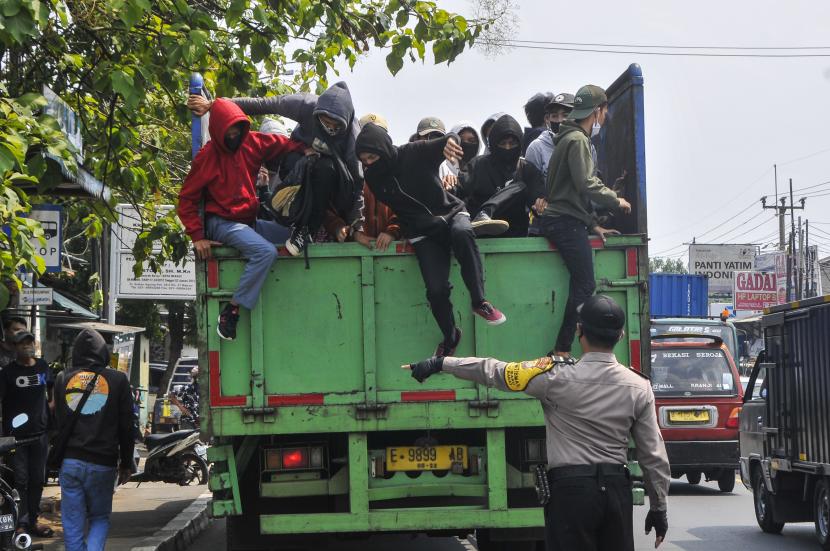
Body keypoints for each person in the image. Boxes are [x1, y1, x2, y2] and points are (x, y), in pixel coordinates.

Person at [405, 295, 670, 551]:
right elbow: (653, 455)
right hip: (616, 492)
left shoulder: (553, 377)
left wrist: (441, 363)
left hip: (570, 494)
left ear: (580, 331)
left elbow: (494, 371)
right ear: (621, 335)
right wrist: (659, 508)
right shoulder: (639, 386)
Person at [355, 122, 507, 355]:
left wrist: (451, 144)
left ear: (383, 149)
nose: (368, 163)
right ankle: (450, 336)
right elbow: (398, 208)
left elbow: (448, 138)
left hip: (452, 212)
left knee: (462, 233)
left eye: (372, 157)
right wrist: (395, 229)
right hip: (422, 231)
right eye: (363, 159)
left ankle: (480, 302)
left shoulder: (413, 152)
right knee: (436, 291)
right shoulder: (374, 178)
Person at [188, 82, 366, 256]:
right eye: (326, 123)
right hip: (299, 165)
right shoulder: (305, 105)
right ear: (316, 113)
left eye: (336, 127)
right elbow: (264, 104)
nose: (330, 130)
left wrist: (357, 225)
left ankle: (309, 229)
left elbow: (358, 183)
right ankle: (293, 217)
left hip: (334, 180)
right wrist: (216, 105)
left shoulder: (352, 133)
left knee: (325, 167)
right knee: (297, 161)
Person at [178, 99, 306, 340]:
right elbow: (186, 200)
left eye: (238, 131)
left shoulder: (252, 141)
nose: (234, 137)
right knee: (265, 252)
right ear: (218, 131)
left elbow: (283, 144)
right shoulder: (207, 157)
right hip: (222, 223)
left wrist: (307, 149)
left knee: (296, 237)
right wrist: (197, 236)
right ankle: (232, 311)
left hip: (248, 222)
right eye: (229, 132)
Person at [538, 85, 632, 357]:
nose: (605, 117)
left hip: (568, 219)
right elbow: (586, 184)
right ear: (597, 111)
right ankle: (562, 349)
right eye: (604, 111)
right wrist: (616, 199)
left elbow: (570, 193)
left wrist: (593, 225)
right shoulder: (578, 140)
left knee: (582, 284)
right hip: (564, 223)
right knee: (585, 285)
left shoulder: (569, 138)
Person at [54, 329, 136, 551]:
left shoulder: (63, 379)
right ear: (103, 353)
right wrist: (127, 463)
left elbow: (58, 423)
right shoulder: (118, 380)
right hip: (103, 463)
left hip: (70, 462)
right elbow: (127, 426)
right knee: (99, 518)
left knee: (72, 524)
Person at [453, 114, 546, 237]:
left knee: (520, 186)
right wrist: (449, 183)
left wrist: (540, 207)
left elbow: (537, 202)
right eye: (502, 144)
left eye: (512, 143)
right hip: (479, 230)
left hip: (514, 233)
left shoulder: (526, 169)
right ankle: (483, 215)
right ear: (494, 144)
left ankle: (487, 211)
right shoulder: (479, 164)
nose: (507, 148)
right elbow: (459, 191)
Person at [0, 331, 53, 538]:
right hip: (16, 437)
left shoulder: (43, 366)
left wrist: (47, 411)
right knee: (20, 480)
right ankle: (21, 523)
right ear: (14, 347)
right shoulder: (7, 373)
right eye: (22, 343)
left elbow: (52, 390)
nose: (26, 346)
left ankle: (33, 520)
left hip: (40, 434)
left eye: (29, 342)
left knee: (38, 480)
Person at [326, 114, 401, 251]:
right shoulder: (345, 170)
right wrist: (347, 230)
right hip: (351, 250)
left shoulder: (399, 170)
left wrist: (392, 231)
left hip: (391, 248)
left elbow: (407, 208)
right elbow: (328, 207)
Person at [525, 93, 575, 180]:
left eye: (566, 115)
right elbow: (532, 186)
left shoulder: (586, 144)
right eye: (554, 116)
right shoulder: (536, 148)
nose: (560, 120)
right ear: (547, 119)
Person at [438, 122, 480, 187]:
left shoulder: (484, 171)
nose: (466, 144)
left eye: (471, 141)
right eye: (460, 141)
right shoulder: (442, 170)